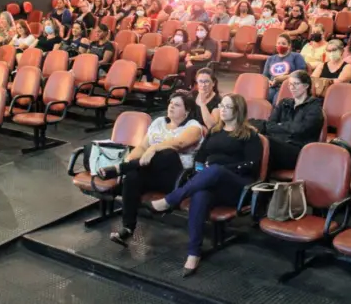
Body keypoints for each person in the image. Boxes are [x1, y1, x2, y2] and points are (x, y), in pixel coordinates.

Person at [148, 94, 263, 275]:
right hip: (212, 180)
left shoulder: (250, 135)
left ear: (238, 111)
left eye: (227, 107)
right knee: (200, 195)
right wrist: (202, 171)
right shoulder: (215, 131)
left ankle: (172, 199)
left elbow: (252, 165)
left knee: (216, 169)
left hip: (236, 185)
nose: (222, 110)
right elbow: (200, 157)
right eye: (221, 106)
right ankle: (194, 252)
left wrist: (219, 169)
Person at [97, 92, 203, 246]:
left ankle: (121, 168)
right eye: (171, 103)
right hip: (152, 173)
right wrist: (129, 159)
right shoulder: (159, 122)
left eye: (177, 104)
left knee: (168, 153)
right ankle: (127, 228)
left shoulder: (193, 126)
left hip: (176, 178)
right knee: (132, 176)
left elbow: (178, 144)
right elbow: (141, 147)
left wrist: (154, 148)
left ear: (186, 111)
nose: (171, 106)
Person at [250, 70, 324, 171]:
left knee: (265, 141)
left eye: (296, 84)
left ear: (306, 86)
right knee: (254, 136)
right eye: (290, 84)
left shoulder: (314, 108)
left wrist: (280, 126)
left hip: (298, 150)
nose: (292, 88)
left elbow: (300, 130)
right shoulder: (284, 103)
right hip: (279, 145)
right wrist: (286, 126)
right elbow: (270, 125)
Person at [264, 34, 307, 103]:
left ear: (289, 45)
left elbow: (302, 74)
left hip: (289, 86)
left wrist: (284, 78)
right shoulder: (270, 59)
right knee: (264, 97)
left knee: (277, 101)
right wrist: (269, 82)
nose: (280, 45)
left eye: (283, 44)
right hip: (272, 86)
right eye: (278, 43)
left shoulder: (296, 56)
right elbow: (265, 76)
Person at [184, 23, 217, 88]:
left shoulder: (210, 42)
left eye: (201, 30)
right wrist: (188, 61)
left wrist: (191, 57)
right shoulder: (194, 42)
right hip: (192, 62)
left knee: (190, 68)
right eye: (198, 30)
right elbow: (188, 54)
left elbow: (206, 56)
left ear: (206, 32)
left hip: (204, 63)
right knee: (176, 65)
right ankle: (172, 85)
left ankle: (187, 88)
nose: (199, 31)